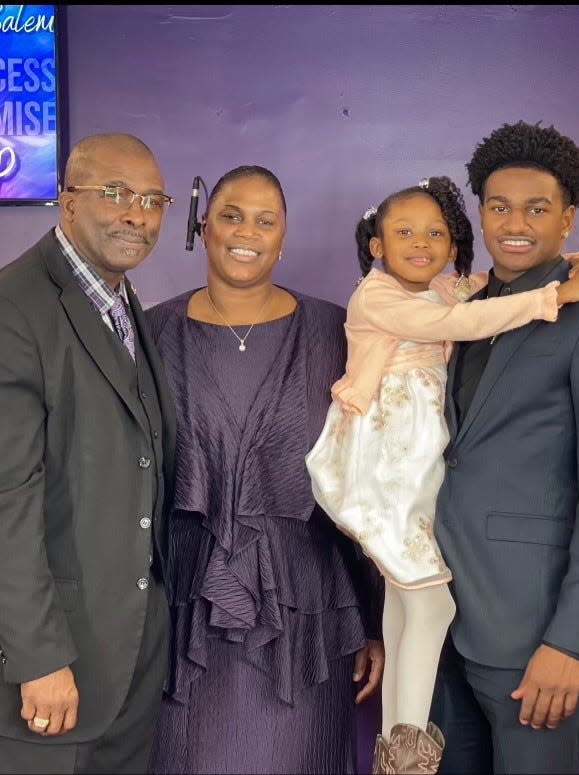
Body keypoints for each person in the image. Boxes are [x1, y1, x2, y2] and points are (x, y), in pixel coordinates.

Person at [305, 175, 579, 775]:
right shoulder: (376, 297)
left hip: (419, 464)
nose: (422, 243)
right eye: (404, 232)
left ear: (451, 245)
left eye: (437, 233)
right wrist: (554, 298)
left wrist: (567, 268)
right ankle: (408, 750)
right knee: (428, 603)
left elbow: (475, 290)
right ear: (375, 244)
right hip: (387, 456)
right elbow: (469, 321)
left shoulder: (442, 289)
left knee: (409, 599)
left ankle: (398, 747)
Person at [146, 164, 385, 775]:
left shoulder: (337, 330)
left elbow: (377, 476)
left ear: (284, 235)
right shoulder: (151, 333)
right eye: (230, 215)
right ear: (203, 227)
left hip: (307, 615)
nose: (245, 231)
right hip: (185, 617)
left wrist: (380, 619)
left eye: (264, 219)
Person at [429, 120, 579, 775]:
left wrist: (571, 640)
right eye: (498, 206)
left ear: (568, 218)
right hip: (434, 624)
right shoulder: (456, 309)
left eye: (537, 208)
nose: (514, 222)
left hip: (530, 636)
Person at [0, 133, 177, 774]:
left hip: (129, 664)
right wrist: (40, 657)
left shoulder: (126, 304)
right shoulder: (14, 308)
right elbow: (6, 502)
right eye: (116, 193)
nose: (138, 213)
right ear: (66, 202)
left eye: (152, 199)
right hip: (51, 673)